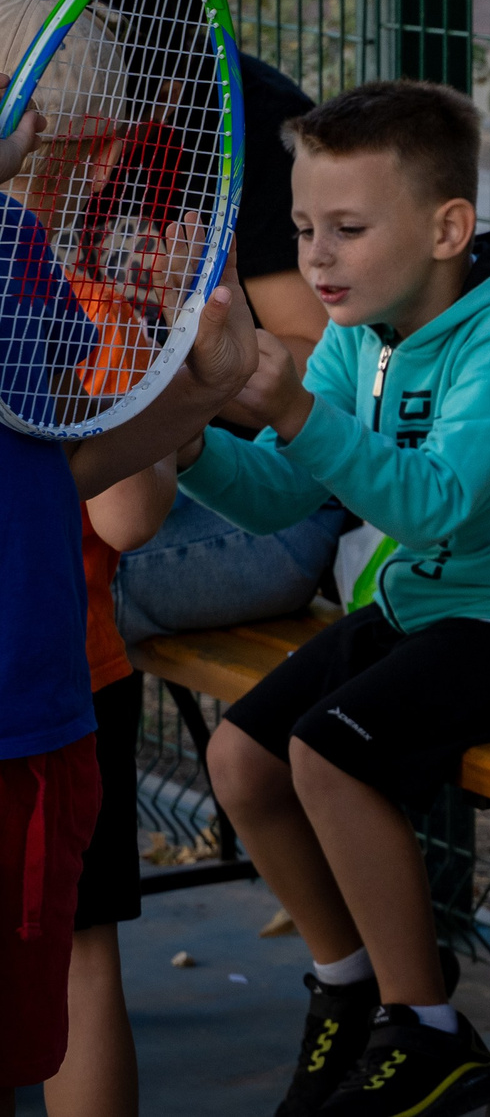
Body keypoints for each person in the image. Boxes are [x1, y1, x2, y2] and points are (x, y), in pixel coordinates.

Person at [187, 80, 490, 1117]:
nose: (315, 259)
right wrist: (187, 438)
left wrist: (299, 406)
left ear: (448, 227)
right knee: (242, 759)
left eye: (348, 229)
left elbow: (435, 505)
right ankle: (349, 990)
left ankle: (427, 1027)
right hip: (443, 601)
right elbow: (278, 493)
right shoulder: (368, 332)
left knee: (329, 748)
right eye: (306, 226)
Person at [0, 31, 265, 1096]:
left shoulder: (26, 262)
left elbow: (62, 479)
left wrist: (199, 391)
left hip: (37, 714)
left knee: (42, 1017)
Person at [28, 0, 350, 640]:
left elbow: (315, 356)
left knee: (54, 580)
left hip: (253, 491)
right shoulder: (40, 136)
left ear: (165, 88)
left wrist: (173, 342)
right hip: (117, 459)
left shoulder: (257, 136)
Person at [47, 462, 177, 1117]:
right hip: (56, 673)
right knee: (80, 956)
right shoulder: (102, 351)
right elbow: (128, 515)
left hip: (54, 674)